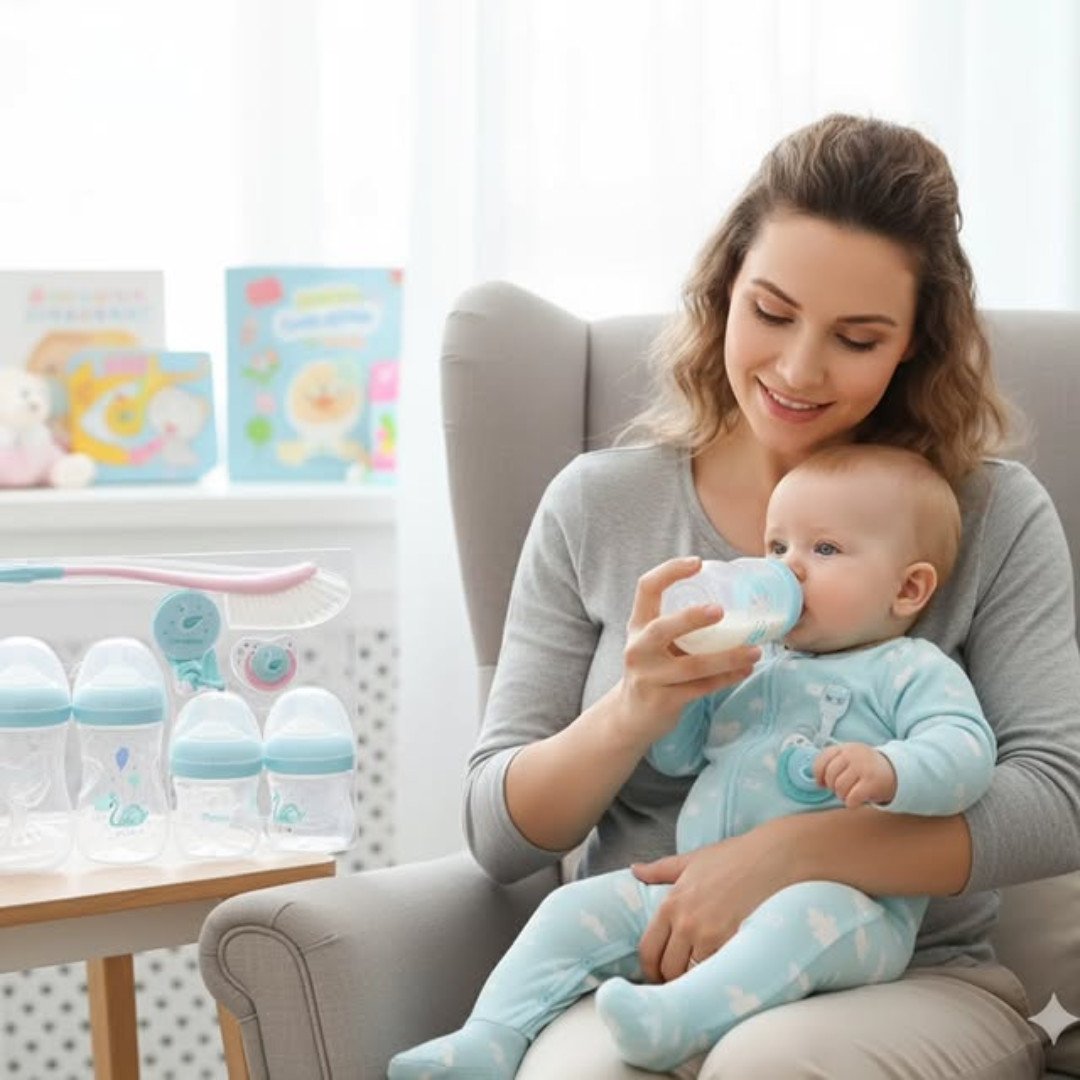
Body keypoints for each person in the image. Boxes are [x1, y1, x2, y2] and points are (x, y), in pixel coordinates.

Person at [437, 114, 1080, 1078]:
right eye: (771, 313)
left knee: (767, 1064)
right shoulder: (601, 506)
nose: (797, 369)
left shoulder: (981, 514)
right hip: (644, 958)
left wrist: (791, 855)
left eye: (857, 338)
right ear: (721, 292)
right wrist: (635, 709)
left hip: (899, 974)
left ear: (913, 345)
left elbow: (1055, 799)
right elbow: (500, 835)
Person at [389, 444, 998, 1077]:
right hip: (694, 895)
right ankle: (490, 1039)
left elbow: (966, 753)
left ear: (907, 588)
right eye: (776, 548)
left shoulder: (909, 670)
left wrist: (893, 770)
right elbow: (680, 759)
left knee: (795, 920)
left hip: (846, 912)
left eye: (823, 550)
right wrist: (669, 697)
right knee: (572, 911)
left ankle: (677, 1020)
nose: (789, 570)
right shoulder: (757, 664)